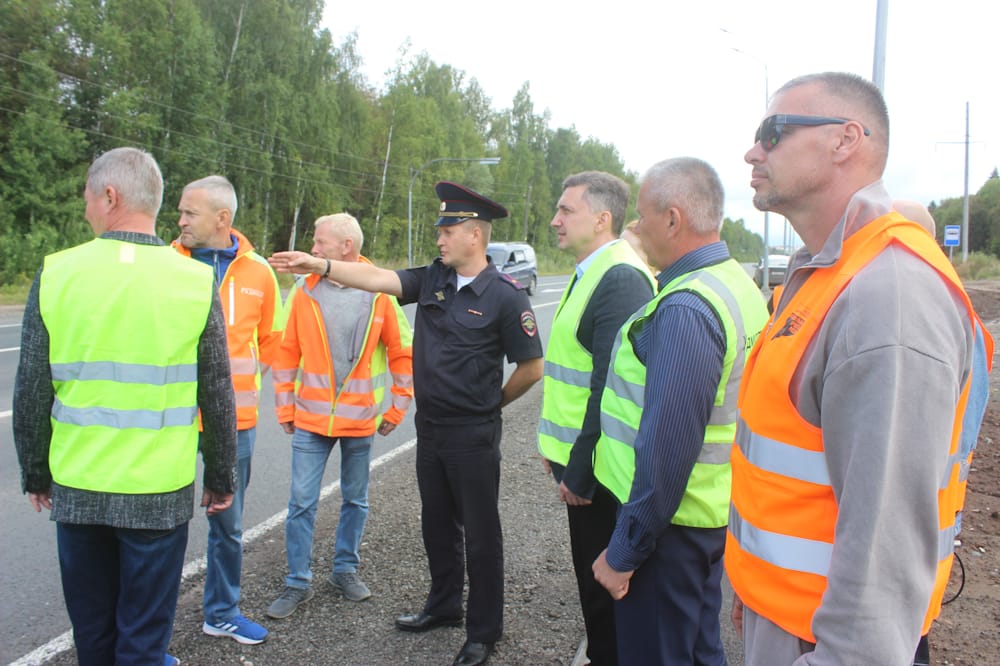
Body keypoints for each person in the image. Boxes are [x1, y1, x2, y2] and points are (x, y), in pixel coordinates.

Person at [726, 71, 993, 665]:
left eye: (773, 132)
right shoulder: (825, 273)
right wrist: (755, 586)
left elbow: (885, 548)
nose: (753, 151)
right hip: (787, 619)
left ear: (846, 140)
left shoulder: (886, 296)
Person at [268, 181, 544, 666]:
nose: (439, 238)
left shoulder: (506, 297)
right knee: (436, 524)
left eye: (448, 230)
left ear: (475, 235)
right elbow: (376, 279)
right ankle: (444, 606)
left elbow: (532, 367)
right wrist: (320, 265)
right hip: (431, 429)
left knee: (481, 534)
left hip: (473, 434)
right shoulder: (434, 278)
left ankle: (484, 631)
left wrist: (493, 405)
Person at [12, 147, 237, 666]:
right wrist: (221, 475)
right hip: (158, 491)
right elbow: (216, 391)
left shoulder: (58, 272)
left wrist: (36, 472)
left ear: (110, 196)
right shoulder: (193, 280)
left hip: (79, 485)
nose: (86, 209)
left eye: (89, 198)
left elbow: (32, 389)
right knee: (144, 640)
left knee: (92, 635)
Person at [591, 157, 768, 664]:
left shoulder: (687, 307)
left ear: (672, 219)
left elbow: (668, 446)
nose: (636, 225)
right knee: (697, 649)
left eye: (643, 214)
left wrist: (625, 551)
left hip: (669, 530)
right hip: (711, 513)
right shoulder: (735, 283)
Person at [266, 213, 414, 618]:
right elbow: (286, 353)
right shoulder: (304, 290)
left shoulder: (379, 291)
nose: (313, 248)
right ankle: (297, 581)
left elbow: (403, 352)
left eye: (320, 242)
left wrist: (398, 406)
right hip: (310, 420)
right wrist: (284, 406)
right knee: (301, 502)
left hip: (360, 420)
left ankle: (344, 570)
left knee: (356, 500)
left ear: (346, 246)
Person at [537, 171, 655, 665]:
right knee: (594, 586)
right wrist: (555, 450)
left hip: (603, 474)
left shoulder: (619, 277)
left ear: (603, 218)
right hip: (585, 460)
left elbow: (608, 384)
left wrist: (581, 470)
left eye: (567, 210)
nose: (555, 220)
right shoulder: (593, 270)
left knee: (605, 591)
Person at [173, 175, 282, 645]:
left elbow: (273, 338)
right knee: (162, 523)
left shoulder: (259, 271)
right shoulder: (165, 265)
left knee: (228, 524)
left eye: (189, 212)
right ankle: (149, 628)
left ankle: (221, 612)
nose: (180, 220)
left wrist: (247, 381)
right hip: (171, 419)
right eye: (180, 211)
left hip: (235, 421)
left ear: (222, 218)